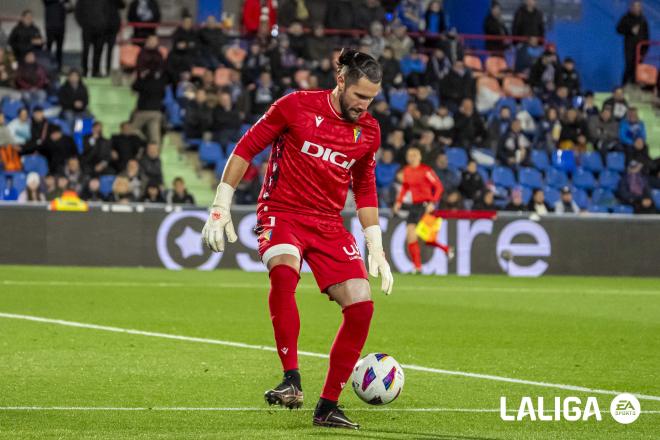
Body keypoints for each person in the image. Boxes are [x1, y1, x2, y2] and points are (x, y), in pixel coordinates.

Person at [201, 48, 393, 429]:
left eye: (371, 98)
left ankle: (327, 407)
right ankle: (291, 379)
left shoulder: (369, 130)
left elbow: (365, 186)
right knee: (285, 274)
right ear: (341, 81)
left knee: (362, 306)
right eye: (359, 96)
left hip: (327, 222)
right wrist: (222, 201)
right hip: (281, 210)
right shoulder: (294, 106)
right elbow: (247, 147)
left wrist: (376, 243)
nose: (364, 105)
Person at [393, 146, 448, 273]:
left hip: (426, 205)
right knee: (411, 235)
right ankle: (417, 267)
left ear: (419, 157)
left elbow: (438, 187)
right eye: (409, 155)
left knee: (426, 238)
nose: (411, 157)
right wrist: (398, 202)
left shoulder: (426, 171)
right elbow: (405, 187)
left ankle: (445, 249)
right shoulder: (406, 171)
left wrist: (433, 203)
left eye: (414, 155)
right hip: (415, 205)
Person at [617, 1, 650, 85]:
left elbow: (647, 35)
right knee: (629, 66)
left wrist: (645, 49)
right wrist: (630, 30)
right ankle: (624, 85)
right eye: (634, 6)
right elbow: (619, 29)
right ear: (631, 7)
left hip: (641, 48)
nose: (636, 8)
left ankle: (635, 85)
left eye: (638, 6)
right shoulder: (626, 18)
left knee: (638, 67)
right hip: (630, 47)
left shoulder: (643, 19)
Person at [131, 69, 167, 144]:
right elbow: (163, 95)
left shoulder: (143, 82)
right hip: (156, 112)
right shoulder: (160, 83)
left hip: (142, 111)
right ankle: (155, 152)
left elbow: (134, 87)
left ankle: (142, 142)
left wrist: (140, 78)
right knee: (155, 136)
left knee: (131, 131)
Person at [75, 0, 107, 77]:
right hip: (87, 29)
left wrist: (104, 24)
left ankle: (96, 71)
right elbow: (77, 12)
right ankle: (84, 71)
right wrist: (83, 24)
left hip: (100, 29)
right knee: (86, 50)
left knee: (98, 51)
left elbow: (107, 12)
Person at [42, 1, 72, 69]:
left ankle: (59, 67)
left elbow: (70, 10)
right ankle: (47, 67)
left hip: (61, 27)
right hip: (50, 27)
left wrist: (67, 6)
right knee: (49, 48)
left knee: (59, 49)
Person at [103, 0, 126, 77]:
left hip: (113, 28)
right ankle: (96, 70)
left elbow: (123, 5)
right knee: (99, 50)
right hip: (101, 26)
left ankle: (108, 70)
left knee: (110, 50)